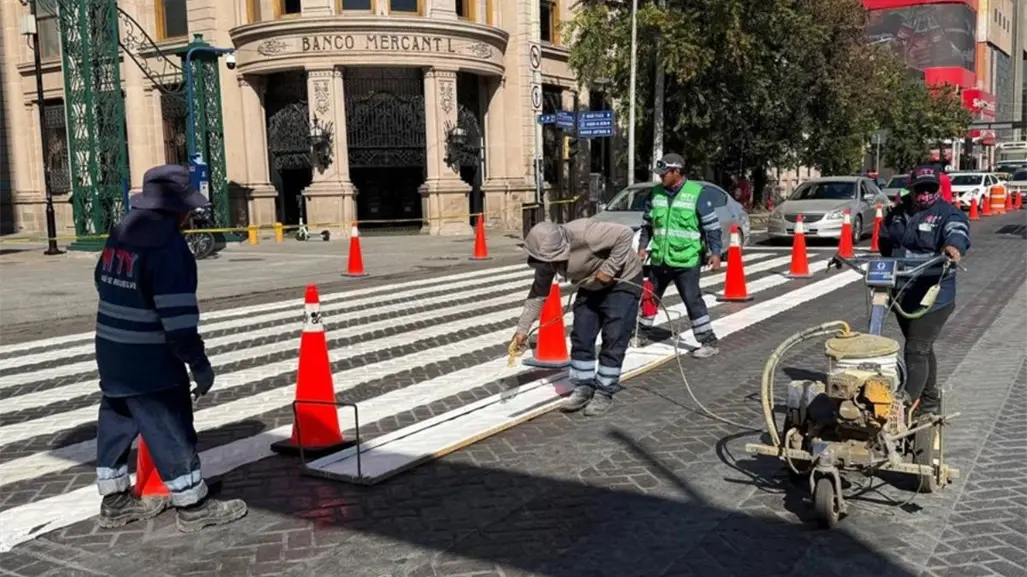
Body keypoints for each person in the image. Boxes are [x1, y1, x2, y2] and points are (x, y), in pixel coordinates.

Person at [93, 164, 247, 532]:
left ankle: (114, 501)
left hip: (110, 347)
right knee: (168, 422)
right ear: (178, 209)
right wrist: (198, 363)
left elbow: (100, 278)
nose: (190, 217)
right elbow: (178, 318)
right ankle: (192, 505)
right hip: (149, 356)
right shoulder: (168, 245)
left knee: (117, 416)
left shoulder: (122, 230)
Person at [511, 219, 643, 416]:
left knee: (614, 337)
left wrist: (609, 269)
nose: (551, 266)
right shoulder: (545, 259)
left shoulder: (586, 233)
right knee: (582, 335)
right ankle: (583, 386)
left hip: (622, 282)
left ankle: (604, 391)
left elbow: (625, 233)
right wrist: (522, 330)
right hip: (590, 284)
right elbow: (538, 294)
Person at [878, 164, 969, 419]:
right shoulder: (898, 213)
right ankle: (929, 402)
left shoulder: (947, 214)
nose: (924, 194)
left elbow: (958, 232)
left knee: (916, 349)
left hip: (933, 295)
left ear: (937, 189)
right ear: (911, 189)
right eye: (920, 189)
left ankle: (903, 406)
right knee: (922, 347)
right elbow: (886, 239)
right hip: (903, 292)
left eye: (930, 189)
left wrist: (953, 248)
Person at [636, 153, 723, 359]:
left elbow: (712, 227)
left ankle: (708, 341)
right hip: (660, 258)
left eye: (664, 174)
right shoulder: (655, 193)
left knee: (692, 300)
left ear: (677, 172)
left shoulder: (697, 194)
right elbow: (648, 224)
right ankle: (640, 333)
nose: (661, 178)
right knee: (649, 297)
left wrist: (716, 253)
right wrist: (642, 247)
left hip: (686, 260)